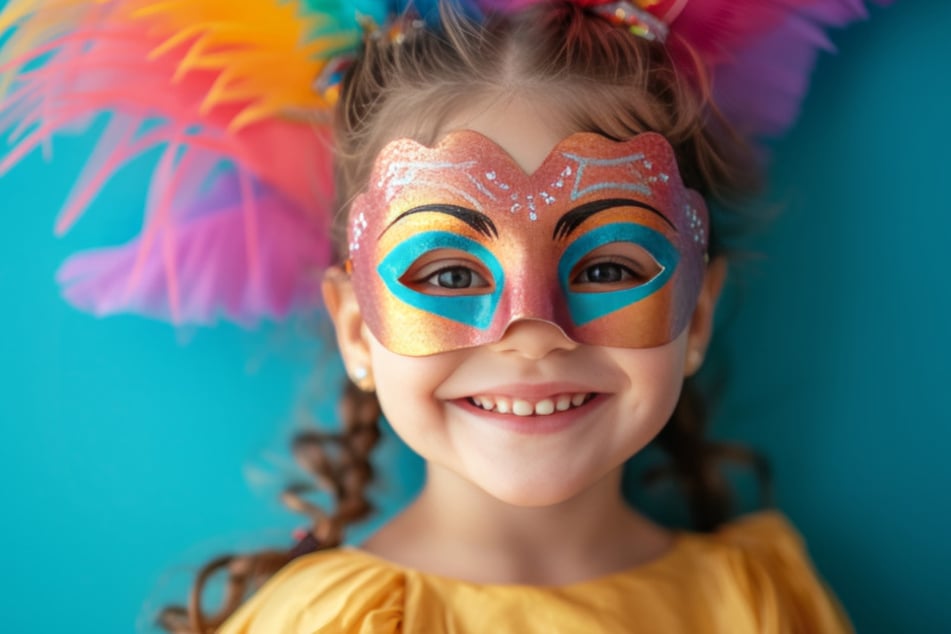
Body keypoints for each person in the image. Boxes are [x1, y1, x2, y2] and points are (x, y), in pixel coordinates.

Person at [0, 1, 888, 632]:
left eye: (610, 263)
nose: (530, 326)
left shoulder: (763, 604)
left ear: (695, 317)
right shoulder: (331, 627)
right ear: (356, 327)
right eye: (450, 271)